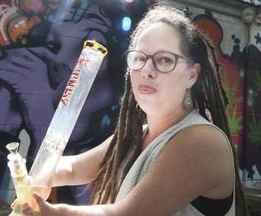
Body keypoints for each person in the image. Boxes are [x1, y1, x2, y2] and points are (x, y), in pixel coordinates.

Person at [18, 4, 248, 216]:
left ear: (192, 75)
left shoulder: (202, 140)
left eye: (165, 60)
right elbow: (72, 169)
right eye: (139, 58)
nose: (147, 70)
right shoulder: (137, 134)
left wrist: (57, 213)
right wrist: (35, 176)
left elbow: (126, 214)